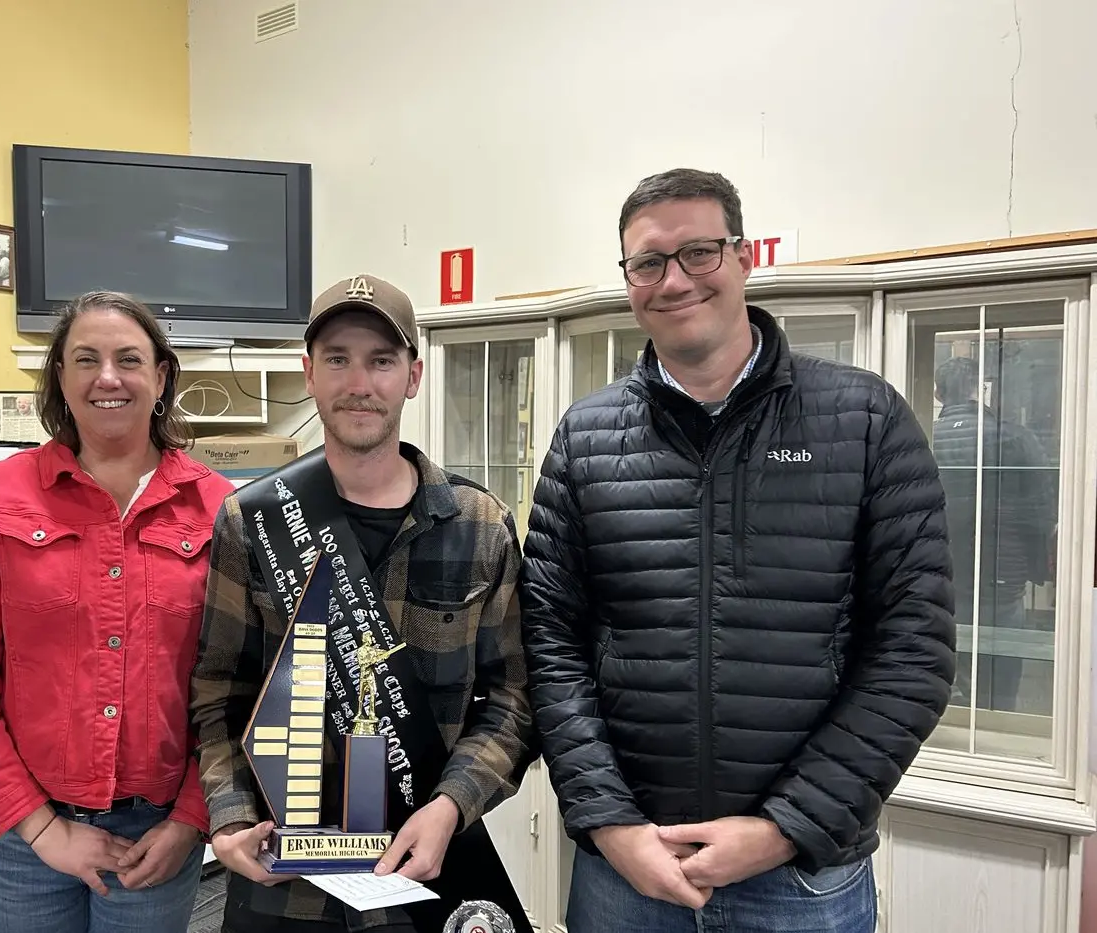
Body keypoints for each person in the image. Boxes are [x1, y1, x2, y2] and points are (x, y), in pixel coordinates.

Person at [520, 168, 956, 933]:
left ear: (744, 256)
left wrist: (785, 826)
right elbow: (550, 642)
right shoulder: (584, 438)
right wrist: (609, 822)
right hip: (626, 874)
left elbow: (913, 653)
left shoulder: (864, 419)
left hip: (800, 880)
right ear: (628, 280)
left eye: (699, 252)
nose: (675, 279)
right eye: (648, 262)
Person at [190, 274, 536, 933]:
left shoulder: (481, 525)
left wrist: (449, 806)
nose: (359, 382)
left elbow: (515, 702)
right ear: (309, 373)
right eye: (338, 359)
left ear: (412, 375)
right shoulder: (250, 522)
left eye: (381, 360)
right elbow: (216, 694)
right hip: (285, 879)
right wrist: (231, 813)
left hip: (427, 871)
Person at [0, 290, 234, 933]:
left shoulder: (221, 508)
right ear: (60, 377)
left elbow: (243, 688)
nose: (108, 378)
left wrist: (192, 821)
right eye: (85, 359)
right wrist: (40, 829)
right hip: (26, 839)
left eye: (129, 359)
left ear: (162, 374)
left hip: (157, 836)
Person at [931, 355, 1057, 712]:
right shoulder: (1016, 437)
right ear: (980, 390)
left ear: (939, 393)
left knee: (940, 656)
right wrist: (1038, 570)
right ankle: (997, 724)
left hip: (939, 571)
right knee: (1002, 657)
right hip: (1003, 570)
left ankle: (946, 725)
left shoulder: (924, 437)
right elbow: (1041, 509)